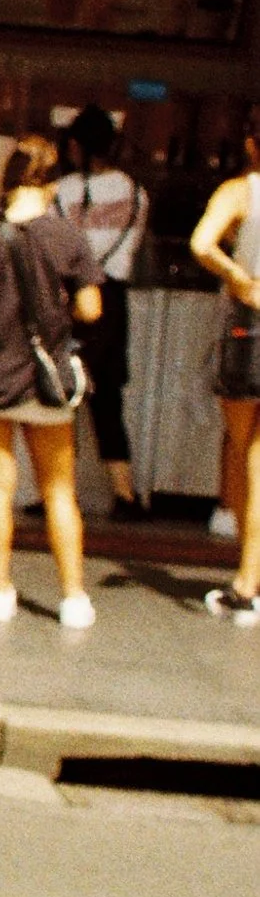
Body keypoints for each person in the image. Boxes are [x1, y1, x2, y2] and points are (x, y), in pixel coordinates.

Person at [0, 132, 103, 631]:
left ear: (8, 180)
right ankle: (73, 597)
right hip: (46, 380)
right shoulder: (66, 237)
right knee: (59, 490)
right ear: (52, 184)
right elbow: (91, 308)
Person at [54, 108, 149, 515]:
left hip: (71, 295)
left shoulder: (62, 191)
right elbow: (131, 247)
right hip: (113, 298)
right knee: (107, 397)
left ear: (75, 145)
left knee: (61, 393)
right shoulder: (137, 193)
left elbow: (55, 247)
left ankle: (58, 491)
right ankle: (125, 495)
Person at [190, 128, 260, 628]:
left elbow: (201, 243)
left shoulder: (239, 191)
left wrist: (237, 276)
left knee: (247, 452)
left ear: (252, 144)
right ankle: (249, 577)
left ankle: (247, 583)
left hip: (249, 330)